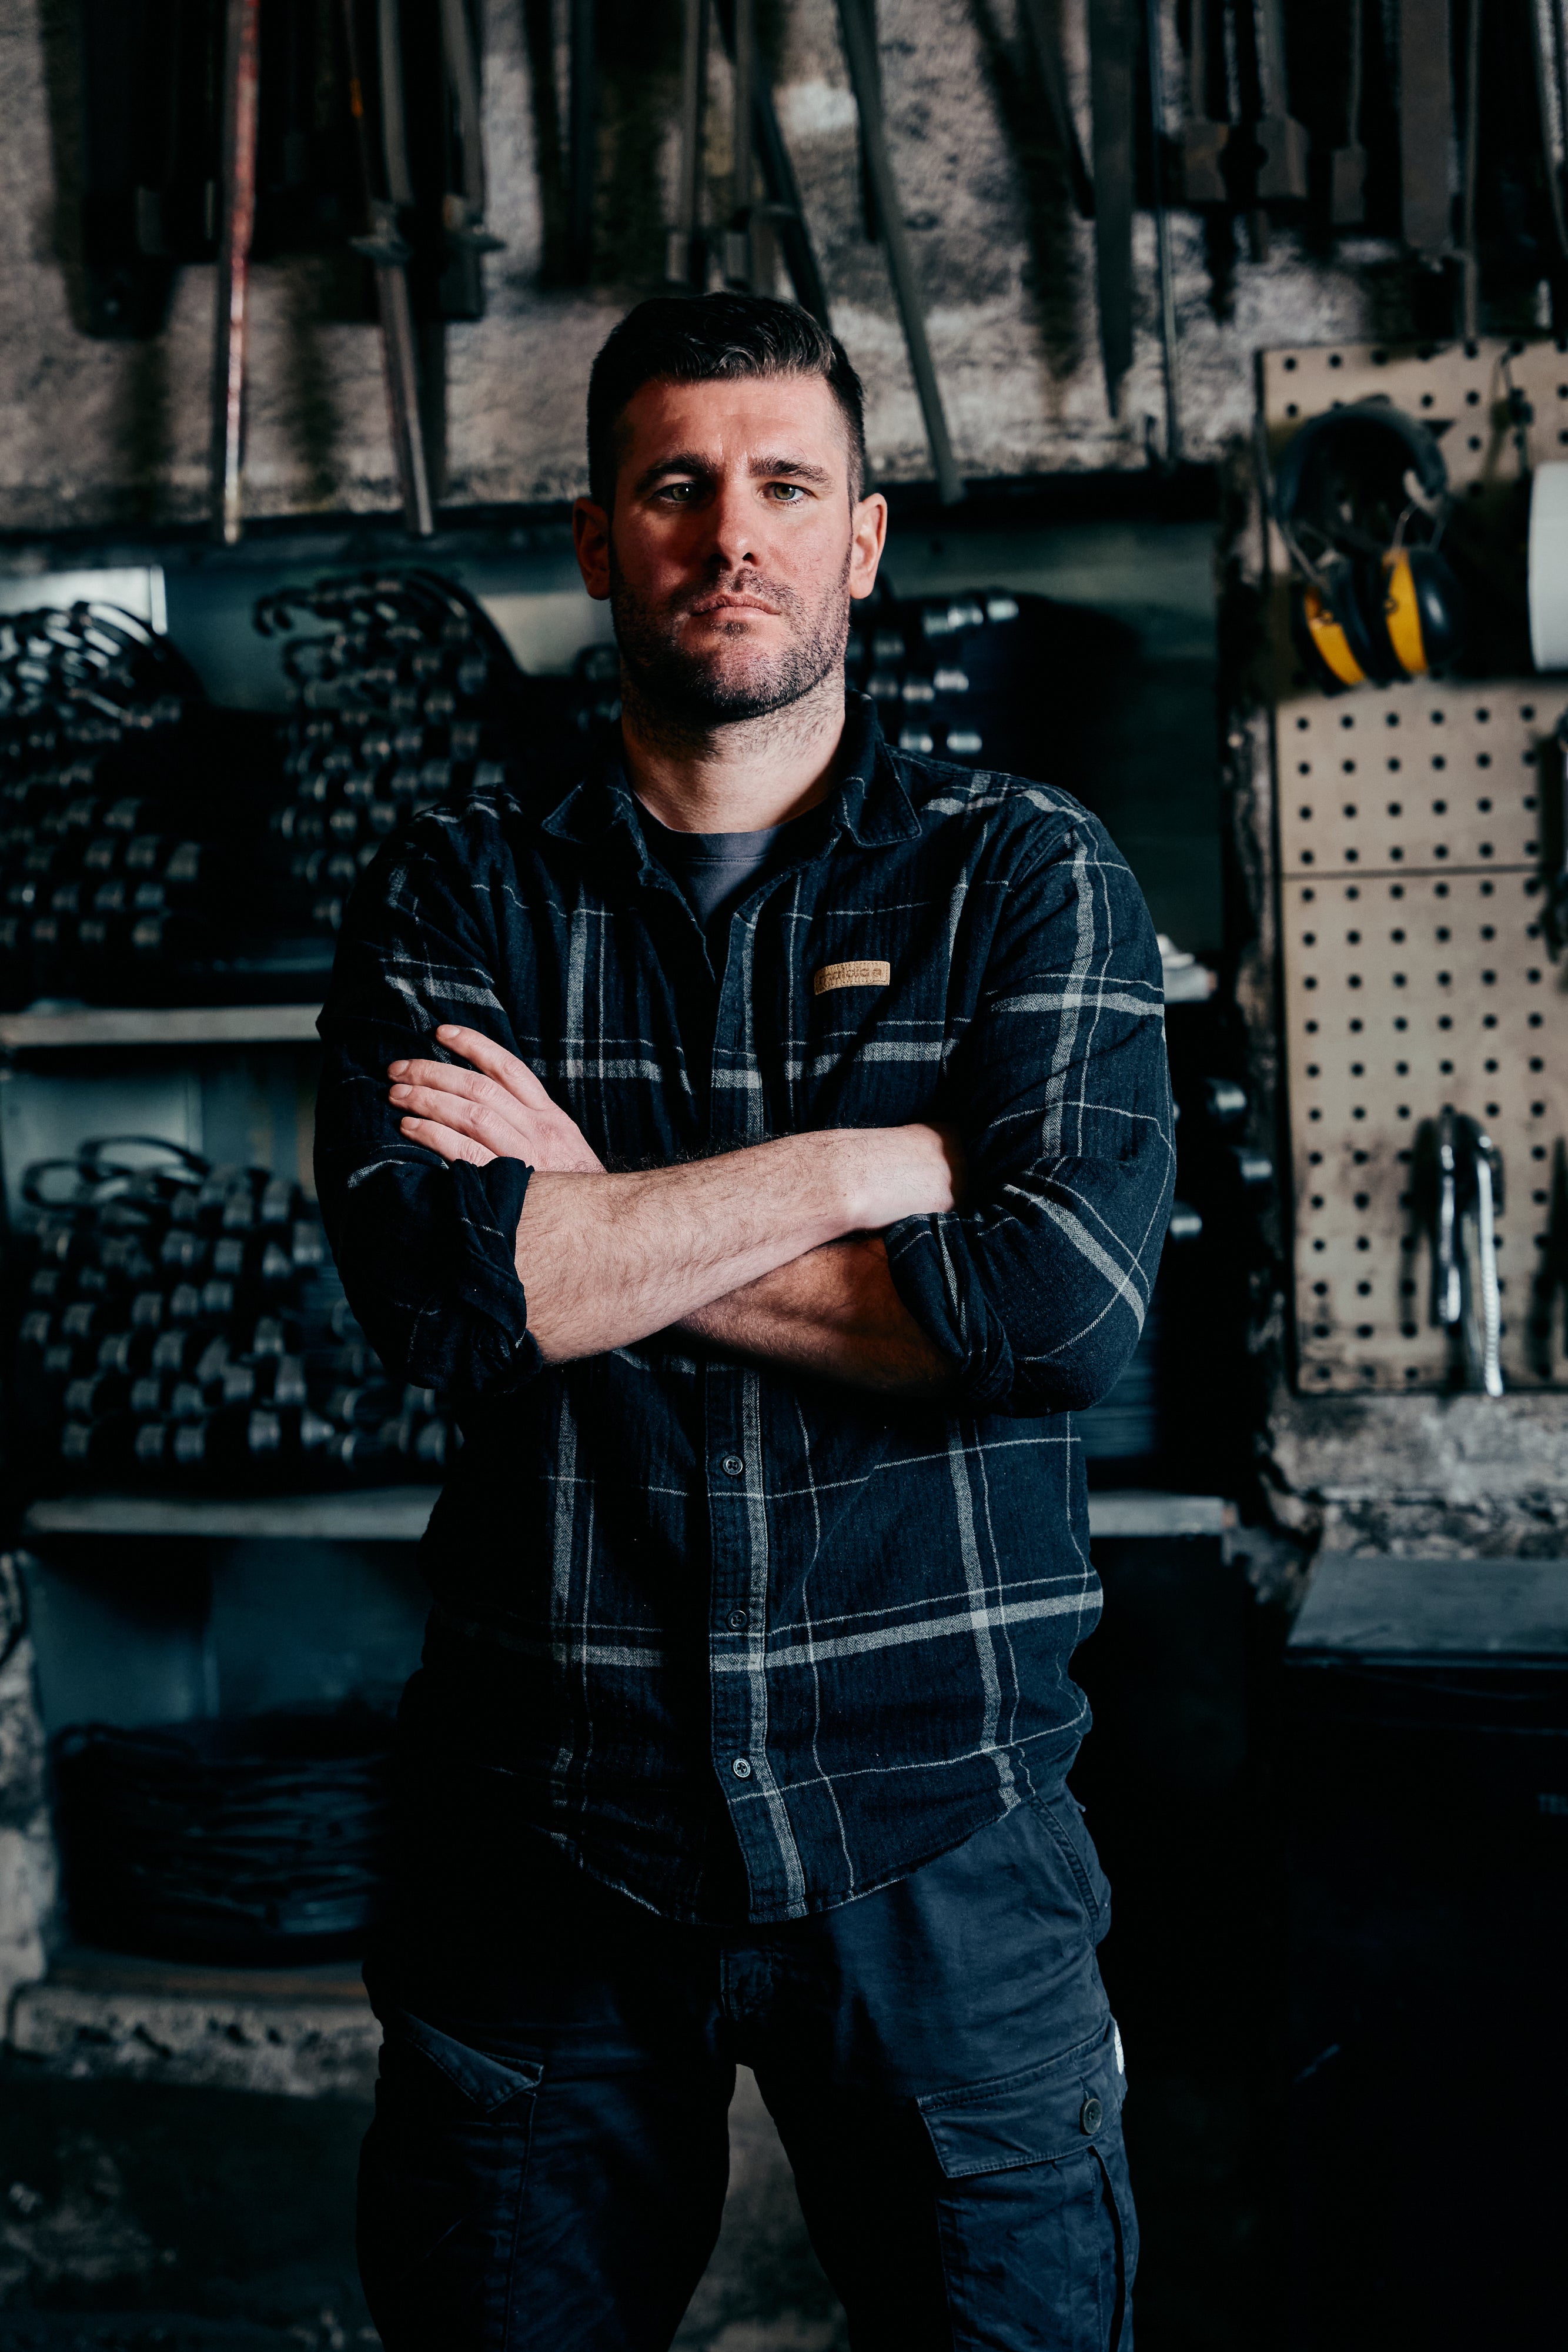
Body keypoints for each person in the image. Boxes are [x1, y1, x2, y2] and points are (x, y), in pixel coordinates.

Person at [316, 290, 1174, 2351]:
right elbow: (453, 1294)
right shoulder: (451, 895)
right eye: (674, 488)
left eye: (787, 485)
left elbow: (1055, 1312)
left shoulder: (1023, 876)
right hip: (544, 1842)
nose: (731, 536)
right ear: (595, 540)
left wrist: (590, 1218)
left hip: (941, 1833)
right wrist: (881, 1165)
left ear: (860, 540)